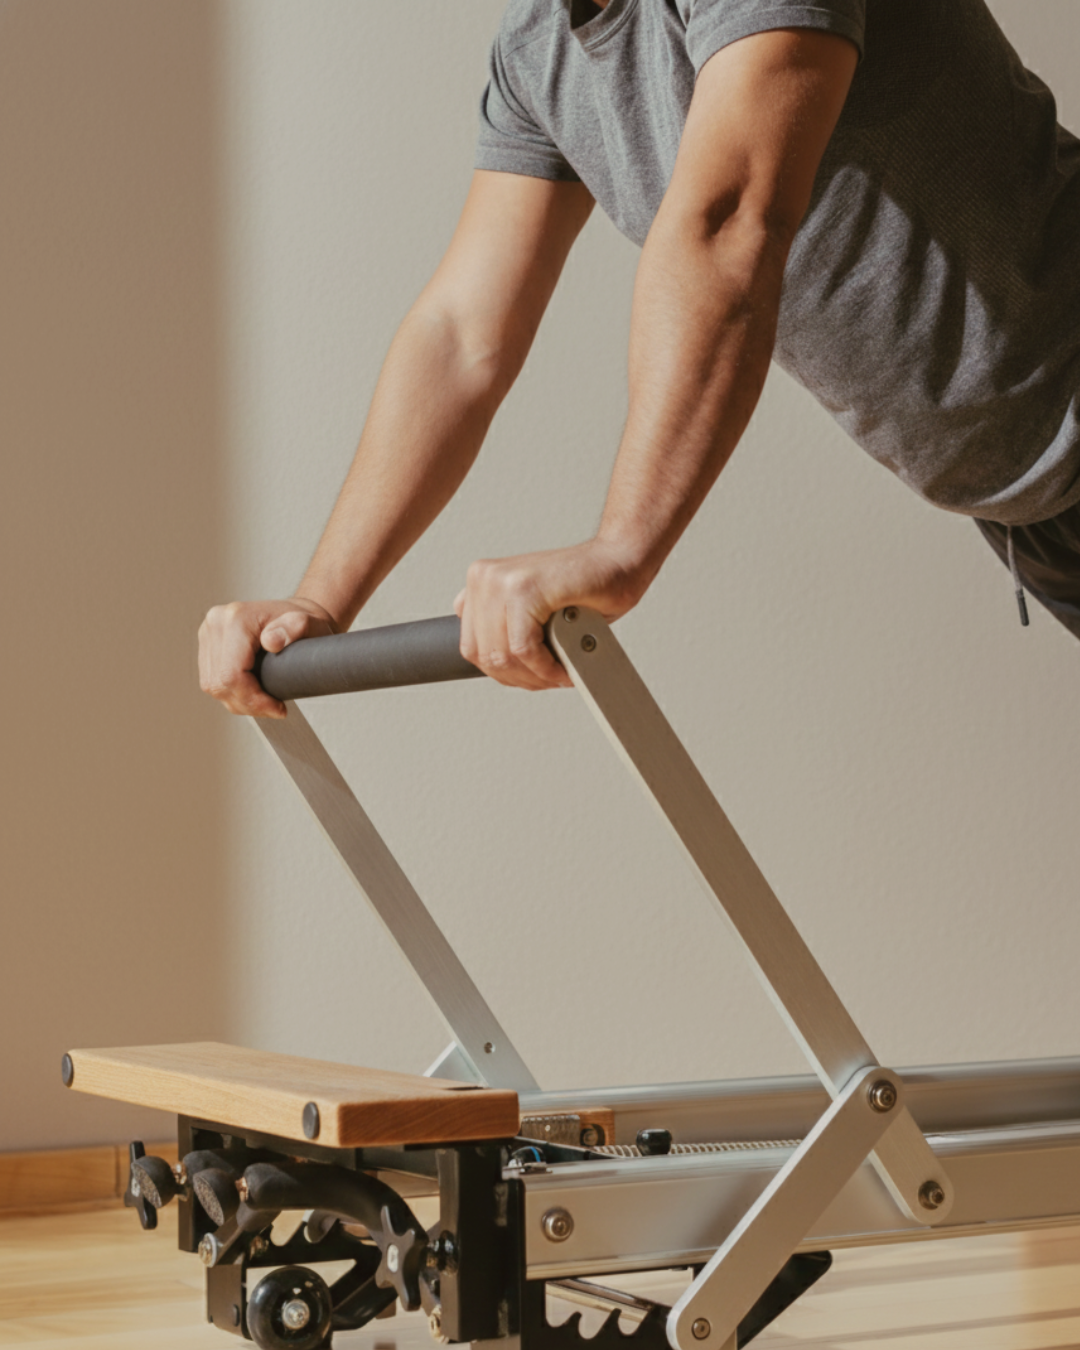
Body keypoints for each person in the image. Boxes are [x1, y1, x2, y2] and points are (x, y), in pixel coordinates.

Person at [200, 0, 1080, 717]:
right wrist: (318, 607)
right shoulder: (538, 51)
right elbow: (464, 331)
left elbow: (731, 218)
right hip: (1030, 500)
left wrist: (623, 545)